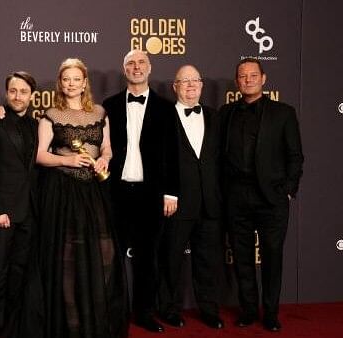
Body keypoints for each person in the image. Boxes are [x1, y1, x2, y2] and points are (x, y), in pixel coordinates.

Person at [35, 58, 128, 338]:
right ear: (60, 83)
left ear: (84, 83)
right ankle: (71, 325)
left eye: (77, 79)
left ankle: (97, 320)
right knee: (67, 257)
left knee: (104, 252)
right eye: (66, 79)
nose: (71, 84)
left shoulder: (100, 113)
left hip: (95, 192)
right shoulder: (50, 115)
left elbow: (108, 148)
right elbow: (39, 155)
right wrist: (71, 159)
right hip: (62, 191)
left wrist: (104, 161)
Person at [220, 58, 303, 332]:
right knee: (242, 259)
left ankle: (270, 313)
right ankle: (247, 310)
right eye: (243, 76)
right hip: (236, 197)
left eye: (253, 75)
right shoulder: (226, 113)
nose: (248, 79)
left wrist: (289, 190)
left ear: (263, 78)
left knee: (272, 258)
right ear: (237, 82)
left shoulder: (284, 113)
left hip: (271, 199)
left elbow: (295, 156)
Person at [102, 50, 179, 333]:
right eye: (130, 63)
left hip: (151, 195)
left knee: (148, 258)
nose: (136, 67)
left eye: (141, 63)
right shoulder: (108, 106)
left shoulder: (166, 108)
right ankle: (115, 314)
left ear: (150, 67)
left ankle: (145, 312)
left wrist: (171, 193)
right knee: (113, 258)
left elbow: (173, 154)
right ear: (124, 70)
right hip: (116, 193)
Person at [158, 65, 224, 329]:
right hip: (176, 202)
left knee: (207, 260)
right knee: (171, 259)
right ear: (175, 87)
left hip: (210, 202)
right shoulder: (162, 117)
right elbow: (157, 161)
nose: (191, 85)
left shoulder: (213, 116)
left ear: (202, 85)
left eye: (195, 80)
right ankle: (169, 308)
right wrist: (166, 193)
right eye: (184, 81)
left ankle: (209, 309)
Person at [0, 71, 39, 338]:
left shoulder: (36, 125)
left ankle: (11, 328)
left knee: (19, 273)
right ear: (6, 93)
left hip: (28, 213)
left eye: (23, 91)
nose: (17, 96)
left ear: (32, 96)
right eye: (13, 91)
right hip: (3, 212)